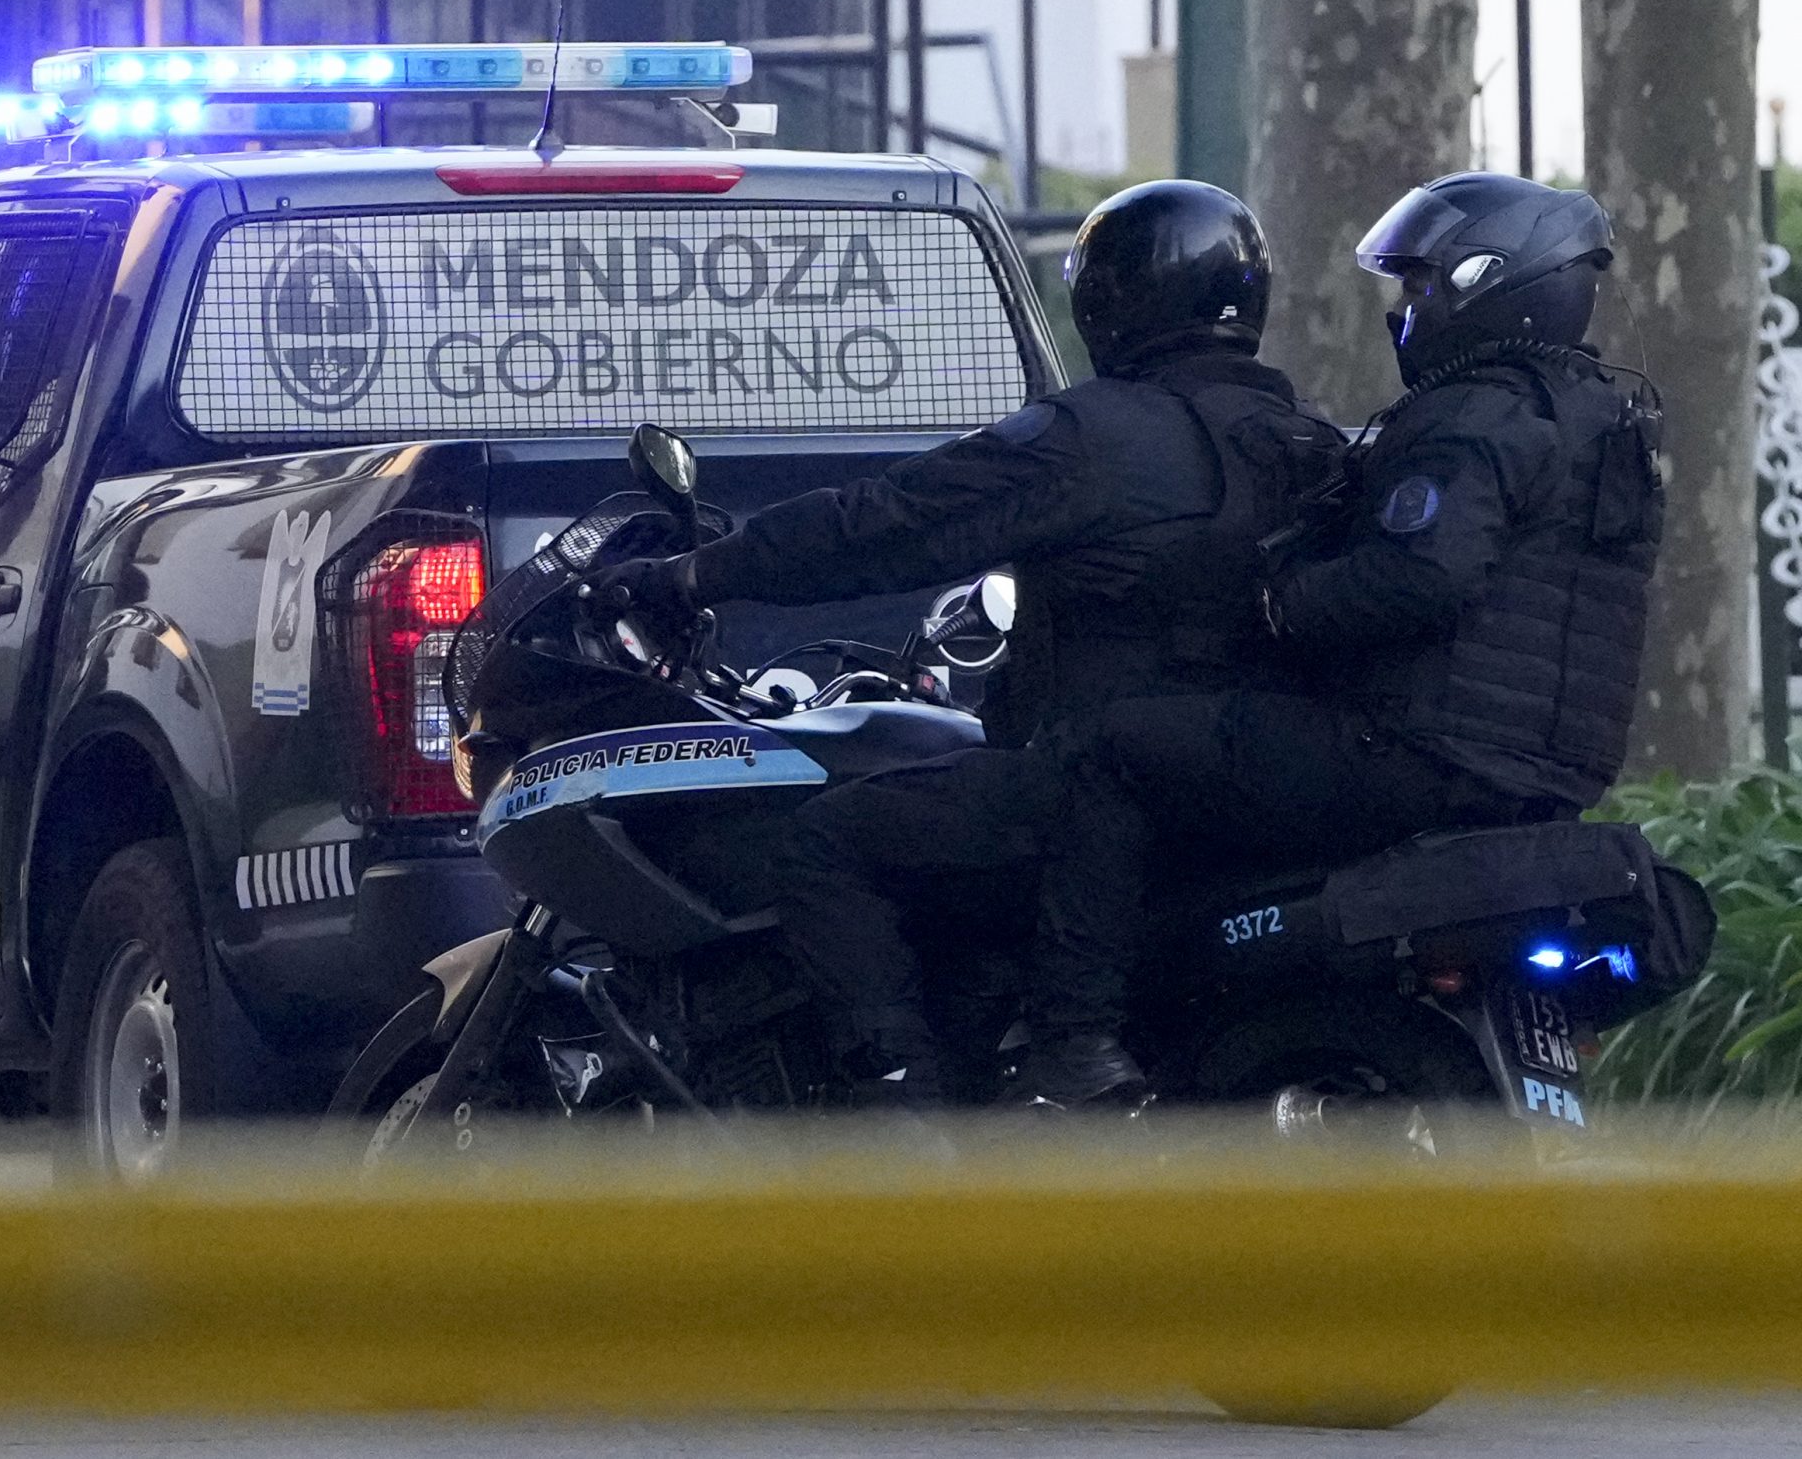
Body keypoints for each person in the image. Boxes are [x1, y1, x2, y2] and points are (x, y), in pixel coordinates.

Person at [599, 180, 1345, 1106]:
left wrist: (697, 574)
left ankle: (904, 1122)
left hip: (1092, 794)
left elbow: (885, 525)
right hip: (1248, 799)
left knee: (824, 841)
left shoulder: (1096, 438)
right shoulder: (1307, 436)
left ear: (1109, 300)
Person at [1031, 172, 1662, 1098]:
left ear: (1486, 285)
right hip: (1545, 768)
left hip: (1413, 751)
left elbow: (1419, 575)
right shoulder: (1608, 423)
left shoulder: (1474, 416)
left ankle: (1074, 1044)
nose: (1406, 309)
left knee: (1112, 751)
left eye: (1419, 286)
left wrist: (1278, 601)